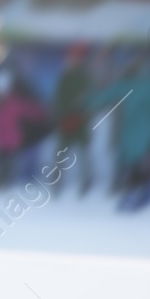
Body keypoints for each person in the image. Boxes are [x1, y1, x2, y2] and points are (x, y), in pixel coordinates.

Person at [89, 53, 150, 212]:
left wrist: (87, 102)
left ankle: (138, 193)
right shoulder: (139, 85)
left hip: (141, 130)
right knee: (135, 162)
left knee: (138, 162)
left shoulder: (144, 85)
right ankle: (137, 192)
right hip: (136, 130)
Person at [0, 70, 49, 191]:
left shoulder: (14, 103)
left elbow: (29, 110)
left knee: (10, 165)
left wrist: (42, 114)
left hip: (12, 140)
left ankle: (5, 186)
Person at [51, 43, 95, 195]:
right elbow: (58, 98)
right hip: (65, 120)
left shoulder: (84, 76)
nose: (71, 60)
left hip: (80, 121)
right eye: (70, 57)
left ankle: (87, 180)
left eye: (75, 57)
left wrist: (81, 113)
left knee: (83, 152)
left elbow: (89, 99)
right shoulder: (65, 76)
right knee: (61, 152)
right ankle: (57, 182)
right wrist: (61, 114)